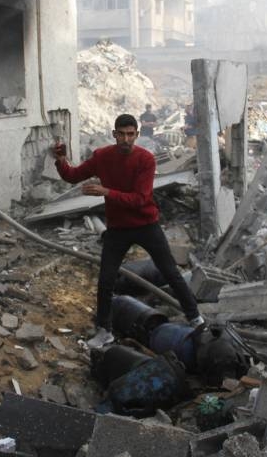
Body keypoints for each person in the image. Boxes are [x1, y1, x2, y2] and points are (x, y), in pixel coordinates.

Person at [52, 114, 203, 348]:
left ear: (137, 135)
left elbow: (141, 199)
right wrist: (61, 160)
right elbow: (72, 176)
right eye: (121, 134)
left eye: (130, 134)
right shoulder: (102, 156)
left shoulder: (145, 159)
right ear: (114, 134)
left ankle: (196, 319)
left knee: (171, 273)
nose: (125, 139)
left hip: (146, 225)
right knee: (106, 280)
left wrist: (107, 192)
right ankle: (105, 331)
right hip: (118, 228)